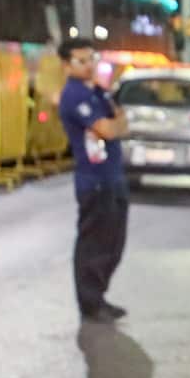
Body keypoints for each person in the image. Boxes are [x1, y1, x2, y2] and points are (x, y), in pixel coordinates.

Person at [58, 38, 130, 322]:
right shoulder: (74, 96)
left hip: (112, 177)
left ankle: (98, 297)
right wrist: (116, 123)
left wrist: (117, 123)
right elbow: (110, 129)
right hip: (94, 180)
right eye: (82, 61)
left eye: (92, 59)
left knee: (113, 242)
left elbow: (120, 124)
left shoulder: (98, 92)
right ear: (66, 65)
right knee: (94, 243)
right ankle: (90, 303)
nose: (89, 66)